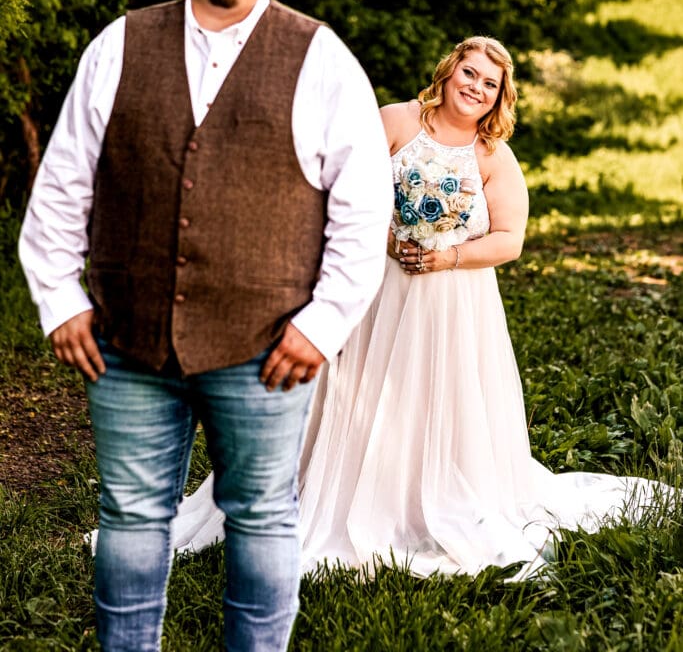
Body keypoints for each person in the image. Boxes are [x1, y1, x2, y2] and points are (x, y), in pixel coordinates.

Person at [18, 0, 394, 651]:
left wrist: (323, 324)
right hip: (127, 341)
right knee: (129, 515)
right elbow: (62, 182)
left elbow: (364, 209)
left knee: (260, 515)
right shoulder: (120, 44)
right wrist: (59, 298)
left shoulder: (319, 57)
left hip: (264, 345)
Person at [170, 35, 671, 580]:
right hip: (373, 285)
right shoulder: (394, 122)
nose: (475, 88)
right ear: (449, 71)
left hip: (449, 303)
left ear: (499, 96)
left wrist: (448, 256)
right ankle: (328, 487)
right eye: (469, 74)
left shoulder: (492, 157)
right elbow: (337, 189)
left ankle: (413, 498)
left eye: (489, 83)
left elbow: (510, 239)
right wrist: (385, 238)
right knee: (350, 387)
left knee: (431, 397)